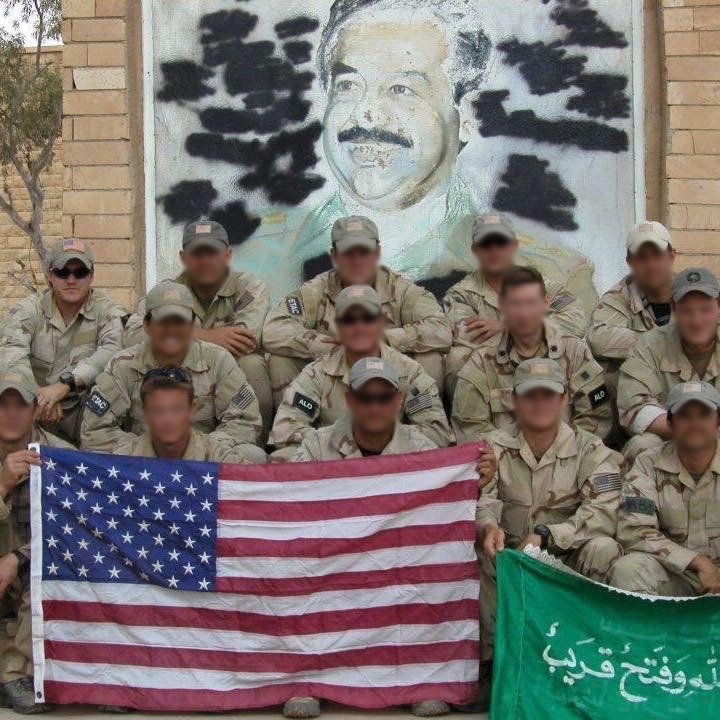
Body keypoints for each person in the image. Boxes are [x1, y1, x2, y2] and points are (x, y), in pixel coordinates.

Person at [235, 0, 595, 303]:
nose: (367, 113)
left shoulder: (552, 279)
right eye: (348, 86)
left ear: (467, 114)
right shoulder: (255, 266)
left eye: (401, 89)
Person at [289, 357, 497, 720]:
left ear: (398, 399)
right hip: (335, 561)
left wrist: (476, 483)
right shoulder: (316, 445)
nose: (374, 406)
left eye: (383, 397)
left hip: (398, 565)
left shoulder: (422, 450)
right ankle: (308, 680)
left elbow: (454, 506)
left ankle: (421, 680)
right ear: (348, 399)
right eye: (365, 397)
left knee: (440, 569)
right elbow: (288, 504)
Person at [476, 359, 622, 712]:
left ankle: (590, 656)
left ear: (565, 398)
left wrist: (547, 535)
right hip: (510, 558)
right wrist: (488, 526)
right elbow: (484, 497)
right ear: (514, 400)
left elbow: (603, 511)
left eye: (548, 394)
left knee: (604, 548)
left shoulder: (590, 450)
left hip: (562, 557)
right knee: (475, 550)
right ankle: (493, 664)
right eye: (530, 395)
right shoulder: (491, 447)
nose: (539, 403)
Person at [264, 215, 451, 403]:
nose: (357, 260)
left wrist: (384, 339)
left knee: (431, 357)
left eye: (364, 252)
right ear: (334, 255)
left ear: (377, 252)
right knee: (280, 360)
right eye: (348, 253)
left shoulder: (402, 290)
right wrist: (331, 345)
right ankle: (295, 426)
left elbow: (441, 329)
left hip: (391, 389)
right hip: (332, 385)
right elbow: (274, 329)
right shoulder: (317, 290)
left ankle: (422, 423)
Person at [123, 220, 273, 439]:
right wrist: (205, 335)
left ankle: (255, 444)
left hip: (226, 372)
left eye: (212, 252)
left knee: (252, 364)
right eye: (197, 254)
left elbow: (244, 340)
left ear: (228, 254)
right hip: (177, 367)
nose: (204, 261)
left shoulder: (249, 286)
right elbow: (132, 334)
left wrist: (171, 334)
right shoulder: (168, 291)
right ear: (184, 258)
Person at [81, 281, 263, 461]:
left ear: (193, 325)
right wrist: (148, 450)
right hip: (141, 463)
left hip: (204, 462)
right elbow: (95, 431)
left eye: (180, 322)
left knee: (251, 456)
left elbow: (244, 422)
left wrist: (196, 449)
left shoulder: (218, 360)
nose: (172, 330)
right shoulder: (122, 365)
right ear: (146, 325)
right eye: (163, 322)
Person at [269, 285, 451, 460]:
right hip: (335, 464)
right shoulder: (316, 374)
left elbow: (435, 433)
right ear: (338, 325)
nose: (359, 326)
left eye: (368, 318)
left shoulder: (409, 372)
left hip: (397, 464)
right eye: (349, 320)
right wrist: (344, 445)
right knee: (283, 458)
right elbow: (287, 429)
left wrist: (380, 443)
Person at [452, 267, 611, 443]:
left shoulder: (574, 353)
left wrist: (560, 452)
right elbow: (470, 428)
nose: (524, 314)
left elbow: (596, 418)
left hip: (568, 459)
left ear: (546, 303)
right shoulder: (482, 361)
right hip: (504, 463)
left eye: (531, 303)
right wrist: (516, 453)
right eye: (515, 304)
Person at [443, 213, 587, 396]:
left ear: (513, 246)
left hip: (545, 368)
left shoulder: (542, 285)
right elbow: (465, 336)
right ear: (475, 250)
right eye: (486, 244)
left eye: (501, 242)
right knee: (457, 358)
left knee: (575, 350)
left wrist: (508, 327)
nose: (494, 250)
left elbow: (576, 321)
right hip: (495, 372)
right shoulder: (461, 294)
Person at [0, 239, 128, 445]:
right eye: (62, 272)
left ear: (91, 276)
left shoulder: (109, 311)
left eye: (80, 273)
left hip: (84, 410)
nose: (71, 280)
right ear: (50, 275)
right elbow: (11, 356)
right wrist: (40, 399)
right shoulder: (28, 311)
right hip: (32, 409)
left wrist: (65, 384)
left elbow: (113, 350)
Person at [0, 372, 74, 714]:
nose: (11, 414)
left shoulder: (61, 456)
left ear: (35, 410)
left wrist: (18, 556)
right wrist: (2, 484)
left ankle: (14, 674)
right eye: (2, 405)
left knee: (48, 574)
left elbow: (74, 529)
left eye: (21, 405)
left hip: (32, 567)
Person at [611, 381, 720, 596]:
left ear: (718, 422)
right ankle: (646, 630)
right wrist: (698, 563)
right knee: (628, 571)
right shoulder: (647, 465)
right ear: (670, 423)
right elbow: (635, 531)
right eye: (685, 415)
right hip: (677, 573)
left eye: (703, 414)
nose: (694, 423)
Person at [617, 266, 720, 463]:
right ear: (673, 310)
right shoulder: (649, 344)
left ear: (719, 307)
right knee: (643, 445)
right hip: (669, 438)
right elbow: (634, 408)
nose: (697, 321)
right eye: (687, 311)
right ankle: (642, 494)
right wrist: (691, 432)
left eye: (705, 310)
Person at [587, 222, 675, 445]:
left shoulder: (694, 293)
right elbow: (598, 337)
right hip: (640, 387)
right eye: (642, 257)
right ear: (629, 262)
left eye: (657, 255)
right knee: (600, 380)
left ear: (672, 256)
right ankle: (607, 445)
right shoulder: (619, 296)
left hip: (688, 384)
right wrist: (661, 341)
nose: (650, 264)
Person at [118, 368, 265, 463]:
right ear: (145, 414)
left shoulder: (216, 454)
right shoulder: (122, 460)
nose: (168, 420)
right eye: (158, 410)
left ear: (192, 410)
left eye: (177, 409)